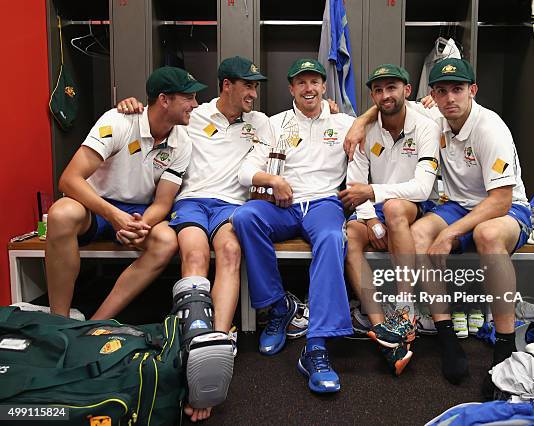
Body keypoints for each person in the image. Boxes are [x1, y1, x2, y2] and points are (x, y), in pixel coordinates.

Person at [344, 58, 531, 391]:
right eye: (441, 92)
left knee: (487, 235)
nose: (450, 99)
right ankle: (447, 337)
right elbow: (388, 102)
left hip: (506, 209)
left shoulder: (490, 128)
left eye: (458, 90)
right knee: (418, 235)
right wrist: (361, 121)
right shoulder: (436, 118)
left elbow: (500, 200)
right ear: (432, 95)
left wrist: (450, 233)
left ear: (472, 91)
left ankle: (504, 351)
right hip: (459, 206)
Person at [118, 56, 271, 421]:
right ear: (226, 86)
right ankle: (194, 344)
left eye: (256, 86)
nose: (253, 92)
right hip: (190, 201)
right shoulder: (194, 114)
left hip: (231, 205)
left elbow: (307, 115)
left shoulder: (262, 122)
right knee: (196, 256)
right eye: (246, 85)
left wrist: (330, 106)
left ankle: (214, 350)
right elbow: (155, 115)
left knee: (231, 252)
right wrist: (129, 106)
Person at [231, 59, 355, 393]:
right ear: (291, 89)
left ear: (325, 87)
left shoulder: (345, 123)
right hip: (283, 205)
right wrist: (272, 180)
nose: (309, 88)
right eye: (301, 83)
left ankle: (316, 346)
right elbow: (246, 172)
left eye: (315, 81)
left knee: (332, 237)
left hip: (324, 204)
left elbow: (386, 114)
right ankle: (277, 307)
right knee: (244, 217)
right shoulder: (275, 124)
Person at [46, 66, 202, 321]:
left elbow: (163, 201)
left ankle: (96, 323)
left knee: (166, 241)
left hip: (137, 212)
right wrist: (113, 215)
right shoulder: (117, 121)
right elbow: (69, 179)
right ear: (164, 100)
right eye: (188, 97)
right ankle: (59, 321)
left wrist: (138, 225)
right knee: (60, 214)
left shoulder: (182, 141)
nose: (195, 104)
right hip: (96, 205)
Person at [338, 64, 440, 376]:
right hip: (375, 203)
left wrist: (374, 192)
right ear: (372, 96)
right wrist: (369, 220)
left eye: (392, 88)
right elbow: (355, 187)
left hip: (413, 204)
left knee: (396, 208)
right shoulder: (364, 131)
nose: (386, 95)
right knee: (349, 235)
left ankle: (405, 306)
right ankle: (382, 328)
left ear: (407, 91)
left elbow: (423, 188)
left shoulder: (426, 124)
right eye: (379, 90)